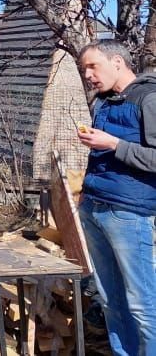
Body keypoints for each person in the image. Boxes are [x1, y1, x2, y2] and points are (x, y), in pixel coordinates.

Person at [76, 40, 156, 356]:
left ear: (118, 62)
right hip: (93, 206)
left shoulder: (149, 98)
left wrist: (112, 144)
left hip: (129, 213)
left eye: (92, 66)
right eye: (84, 69)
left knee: (142, 303)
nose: (88, 75)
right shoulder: (104, 102)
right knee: (110, 300)